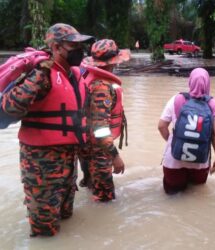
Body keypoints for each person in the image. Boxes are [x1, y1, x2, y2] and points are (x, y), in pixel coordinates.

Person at [1, 23, 94, 236]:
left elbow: (82, 121)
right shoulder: (41, 75)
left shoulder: (74, 75)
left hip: (68, 163)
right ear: (57, 47)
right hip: (41, 165)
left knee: (67, 216)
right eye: (74, 44)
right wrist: (38, 74)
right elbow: (10, 108)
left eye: (81, 45)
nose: (80, 50)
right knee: (45, 231)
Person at [158, 68, 215, 194]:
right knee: (197, 194)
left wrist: (173, 142)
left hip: (174, 162)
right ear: (207, 83)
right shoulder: (213, 104)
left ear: (190, 82)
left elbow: (161, 126)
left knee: (172, 197)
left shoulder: (176, 99)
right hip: (200, 163)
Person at [80, 39, 125, 202]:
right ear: (113, 62)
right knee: (105, 199)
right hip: (98, 150)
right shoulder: (102, 88)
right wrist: (115, 156)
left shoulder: (90, 79)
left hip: (88, 147)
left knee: (93, 187)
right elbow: (100, 129)